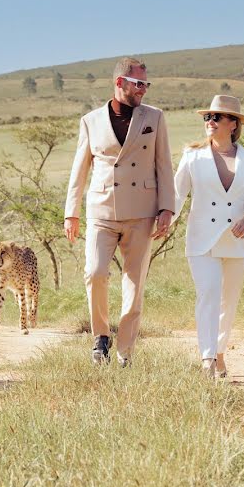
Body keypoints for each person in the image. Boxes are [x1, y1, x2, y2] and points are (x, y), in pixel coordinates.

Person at [64, 57, 176, 367]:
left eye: (146, 84)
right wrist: (70, 212)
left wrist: (167, 207)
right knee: (95, 273)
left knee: (134, 282)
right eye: (138, 83)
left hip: (142, 211)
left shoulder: (155, 117)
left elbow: (164, 164)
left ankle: (126, 349)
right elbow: (80, 168)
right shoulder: (91, 120)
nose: (143, 89)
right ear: (119, 83)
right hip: (101, 209)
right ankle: (101, 336)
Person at [172, 95, 244, 378]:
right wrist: (163, 221)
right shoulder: (192, 156)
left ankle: (220, 352)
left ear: (233, 124)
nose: (210, 122)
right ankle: (207, 358)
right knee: (208, 294)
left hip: (237, 239)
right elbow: (177, 194)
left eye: (217, 117)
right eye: (207, 117)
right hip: (202, 237)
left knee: (229, 300)